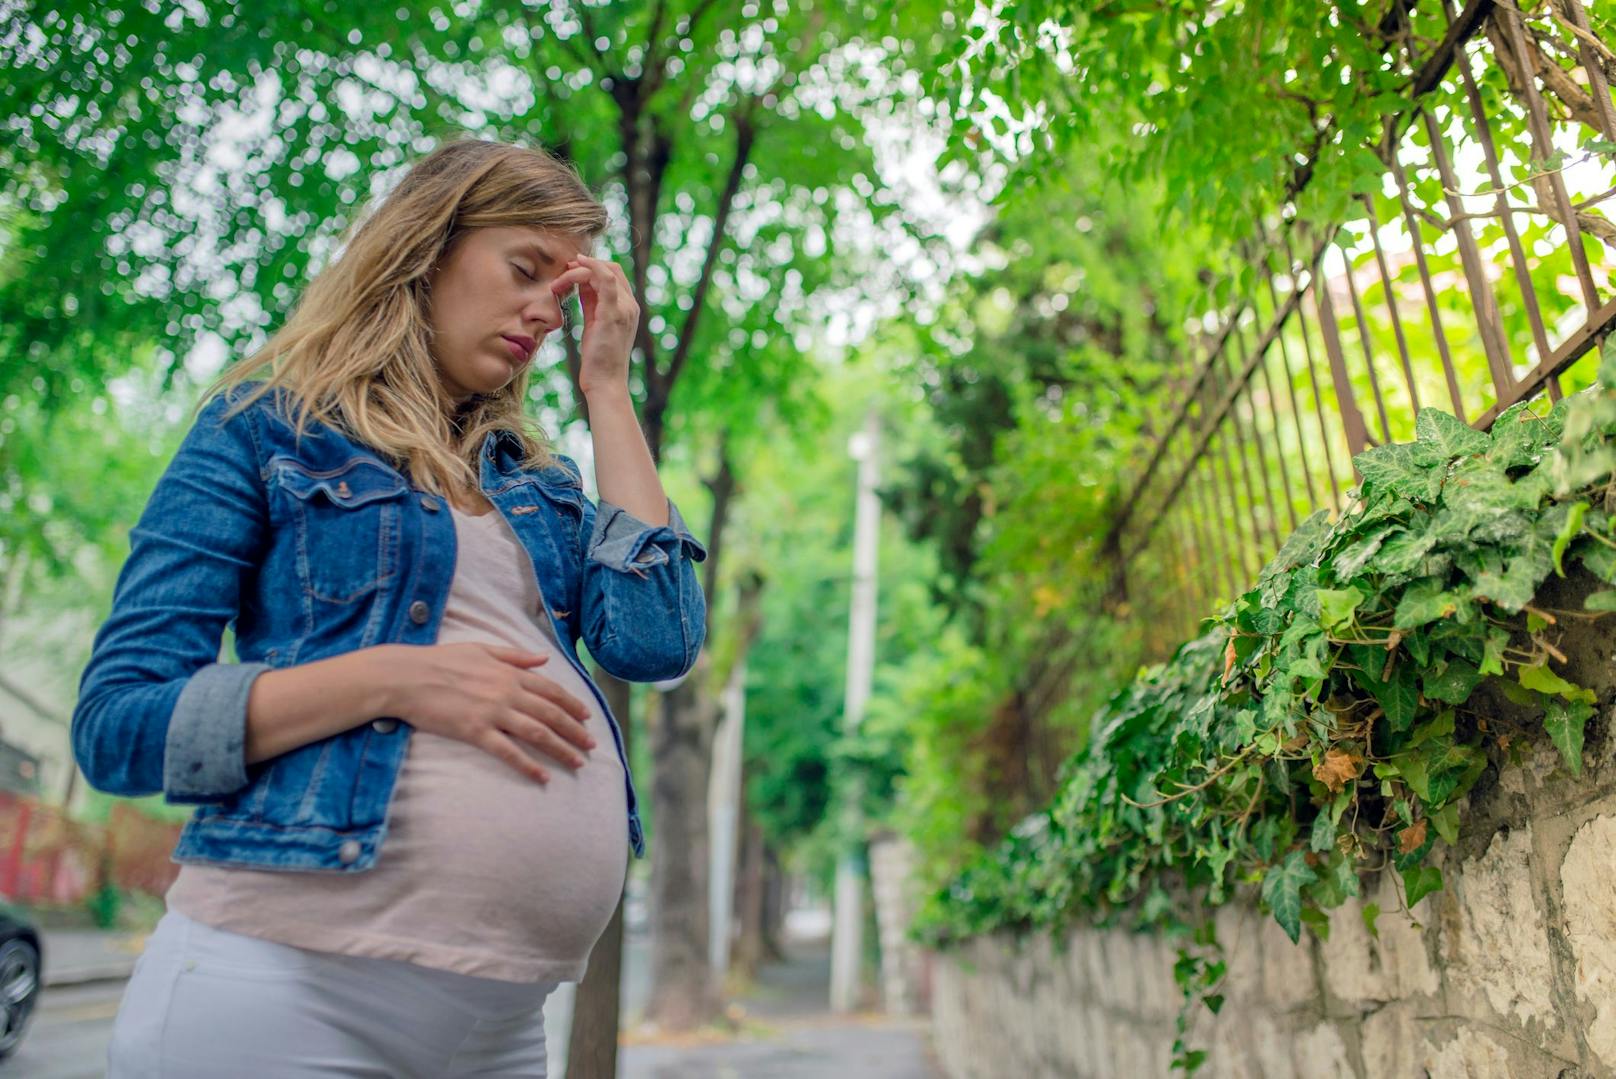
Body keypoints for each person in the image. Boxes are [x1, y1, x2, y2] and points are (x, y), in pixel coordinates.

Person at [70, 137, 708, 1077]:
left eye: (561, 292)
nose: (544, 311)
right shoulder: (263, 428)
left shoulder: (540, 487)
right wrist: (395, 679)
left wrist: (608, 388)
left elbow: (657, 641)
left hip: (498, 1027)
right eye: (524, 269)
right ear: (427, 247)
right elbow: (117, 724)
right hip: (284, 994)